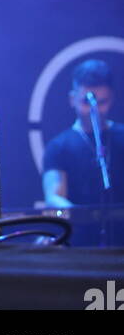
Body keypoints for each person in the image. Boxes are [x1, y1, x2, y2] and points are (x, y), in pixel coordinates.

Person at [42, 58, 124, 245]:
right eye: (86, 103)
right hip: (81, 242)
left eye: (101, 103)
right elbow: (54, 196)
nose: (93, 111)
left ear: (111, 99)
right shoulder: (59, 146)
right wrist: (84, 216)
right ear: (73, 99)